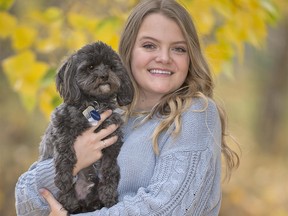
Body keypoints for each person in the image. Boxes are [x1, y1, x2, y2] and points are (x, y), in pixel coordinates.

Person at [15, 0, 240, 215]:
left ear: (190, 57)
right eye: (149, 45)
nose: (163, 58)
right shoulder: (107, 115)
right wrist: (74, 160)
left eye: (178, 49)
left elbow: (166, 210)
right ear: (129, 52)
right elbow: (25, 204)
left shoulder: (195, 113)